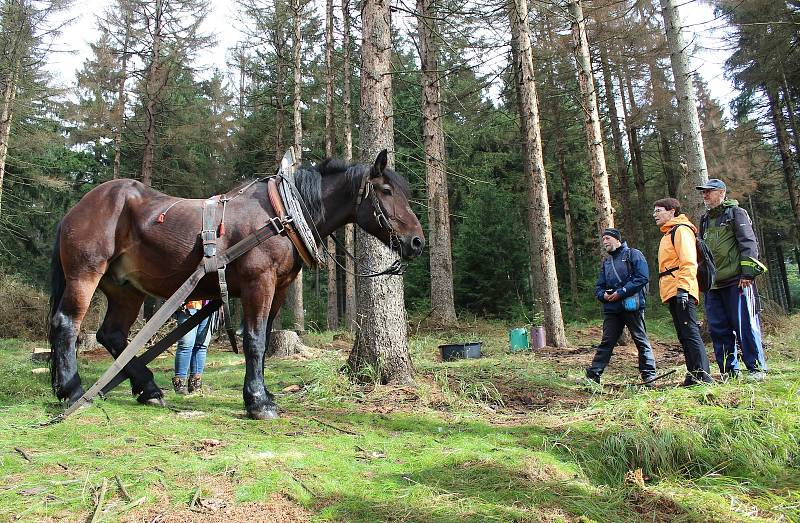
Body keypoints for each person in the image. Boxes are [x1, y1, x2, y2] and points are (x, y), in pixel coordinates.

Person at [696, 179, 767, 381]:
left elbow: (748, 243)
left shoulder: (736, 214)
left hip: (737, 281)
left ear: (721, 193)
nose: (705, 195)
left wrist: (747, 274)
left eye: (709, 192)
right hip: (713, 285)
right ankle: (729, 372)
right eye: (703, 192)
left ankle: (756, 369)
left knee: (745, 326)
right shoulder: (705, 219)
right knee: (719, 329)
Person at [584, 228, 657, 387]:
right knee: (607, 342)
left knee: (640, 340)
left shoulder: (634, 254)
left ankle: (649, 376)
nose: (605, 242)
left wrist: (622, 292)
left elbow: (642, 277)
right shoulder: (607, 262)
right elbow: (599, 286)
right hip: (612, 309)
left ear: (617, 239)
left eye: (608, 238)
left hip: (632, 307)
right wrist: (603, 295)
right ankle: (593, 375)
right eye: (603, 240)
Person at [653, 198, 713, 386]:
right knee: (683, 333)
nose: (654, 214)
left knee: (690, 331)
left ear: (672, 211)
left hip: (681, 288)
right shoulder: (669, 233)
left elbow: (688, 261)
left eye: (658, 210)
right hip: (672, 289)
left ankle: (702, 376)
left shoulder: (681, 230)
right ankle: (693, 373)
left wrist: (683, 289)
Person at [172, 300, 211, 394]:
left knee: (201, 346)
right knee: (186, 344)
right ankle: (180, 384)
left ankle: (195, 384)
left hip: (209, 306)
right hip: (189, 305)